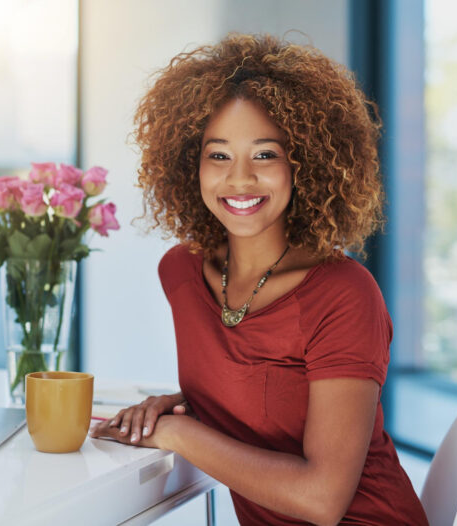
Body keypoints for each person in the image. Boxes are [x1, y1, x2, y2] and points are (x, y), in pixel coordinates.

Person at [89, 34, 429, 525]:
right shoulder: (181, 272)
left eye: (265, 155)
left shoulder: (344, 294)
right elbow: (260, 389)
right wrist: (185, 406)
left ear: (304, 163)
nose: (240, 179)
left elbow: (322, 500)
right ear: (191, 164)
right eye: (219, 155)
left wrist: (179, 433)